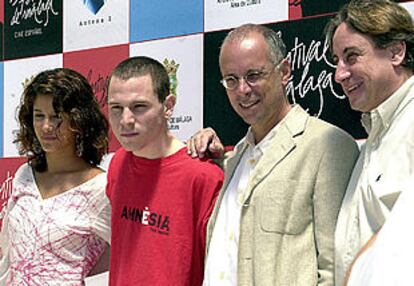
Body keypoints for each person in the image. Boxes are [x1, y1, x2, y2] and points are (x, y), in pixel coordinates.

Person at [187, 23, 359, 285]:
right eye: (231, 80)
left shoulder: (329, 145)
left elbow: (336, 266)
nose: (243, 89)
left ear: (285, 71)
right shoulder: (235, 160)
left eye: (254, 75)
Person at [106, 56, 224, 286]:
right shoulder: (117, 163)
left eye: (139, 107)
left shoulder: (203, 176)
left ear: (168, 106)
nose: (125, 120)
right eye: (116, 108)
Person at [324, 0, 414, 284]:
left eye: (351, 56)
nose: (339, 74)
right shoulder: (376, 133)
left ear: (396, 52)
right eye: (337, 60)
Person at [0, 68, 111, 284]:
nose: (46, 127)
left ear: (79, 120)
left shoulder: (101, 188)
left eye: (57, 117)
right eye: (39, 116)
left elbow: (133, 256)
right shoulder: (25, 174)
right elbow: (7, 255)